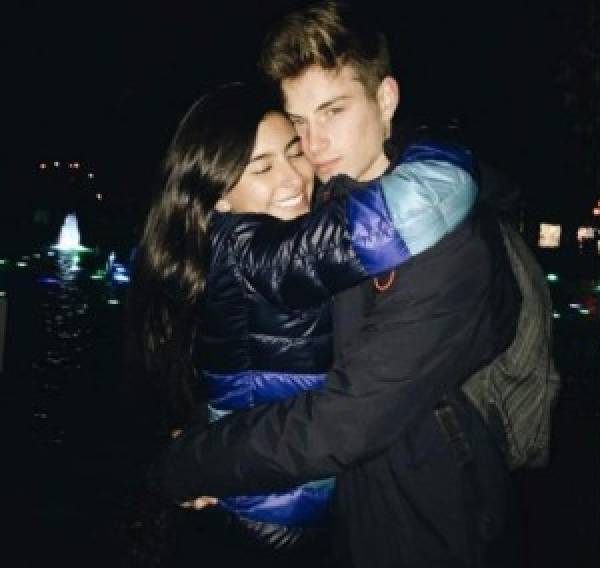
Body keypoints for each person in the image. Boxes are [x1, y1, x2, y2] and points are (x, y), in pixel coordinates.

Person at [159, 2, 547, 566]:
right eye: (299, 124)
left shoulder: (452, 248)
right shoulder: (324, 208)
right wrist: (218, 437)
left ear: (385, 100)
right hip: (343, 513)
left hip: (426, 523)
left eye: (333, 111)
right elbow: (277, 359)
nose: (313, 144)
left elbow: (346, 420)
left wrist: (197, 462)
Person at [129, 83, 476, 564]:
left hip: (263, 490)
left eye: (295, 153)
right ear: (219, 195)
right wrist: (440, 158)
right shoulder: (256, 252)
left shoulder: (228, 247)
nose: (294, 178)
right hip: (273, 513)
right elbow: (394, 216)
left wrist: (199, 443)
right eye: (262, 168)